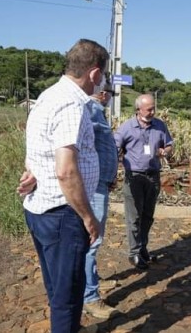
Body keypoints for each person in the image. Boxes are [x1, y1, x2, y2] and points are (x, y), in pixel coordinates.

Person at [17, 39, 108, 333]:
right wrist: (88, 217)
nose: (103, 81)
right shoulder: (71, 104)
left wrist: (33, 172)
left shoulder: (48, 95)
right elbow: (66, 171)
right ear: (94, 73)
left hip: (40, 207)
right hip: (62, 214)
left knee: (57, 286)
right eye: (103, 75)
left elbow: (40, 149)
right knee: (68, 295)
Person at [114, 94, 174, 270]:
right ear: (138, 109)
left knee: (148, 216)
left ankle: (143, 248)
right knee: (134, 217)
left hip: (153, 176)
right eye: (149, 109)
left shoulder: (160, 125)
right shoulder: (127, 127)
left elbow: (170, 144)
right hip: (134, 177)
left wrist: (166, 151)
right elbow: (114, 147)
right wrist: (117, 163)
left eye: (154, 108)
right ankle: (133, 253)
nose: (153, 112)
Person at [81, 83, 121, 319]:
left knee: (92, 241)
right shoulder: (92, 109)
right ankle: (90, 297)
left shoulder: (96, 111)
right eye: (110, 94)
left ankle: (91, 281)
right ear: (103, 93)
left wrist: (109, 175)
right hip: (94, 186)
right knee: (92, 241)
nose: (109, 98)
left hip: (100, 182)